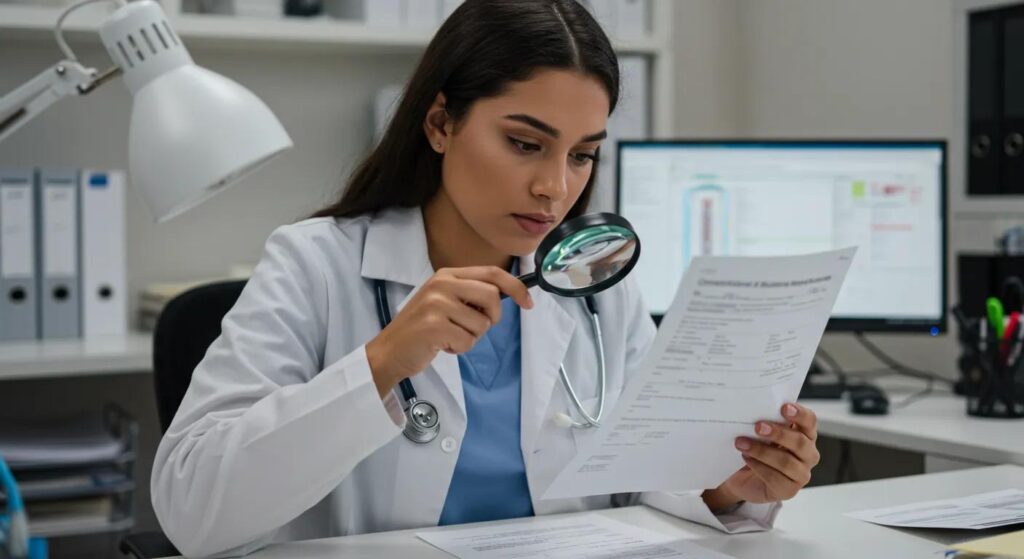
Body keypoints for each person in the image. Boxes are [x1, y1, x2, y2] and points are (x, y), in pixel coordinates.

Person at [150, 1, 821, 557]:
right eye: (526, 144)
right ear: (441, 123)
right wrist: (381, 364)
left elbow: (640, 482)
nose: (554, 187)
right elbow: (191, 509)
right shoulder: (313, 264)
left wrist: (725, 486)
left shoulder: (594, 284)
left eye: (582, 154)